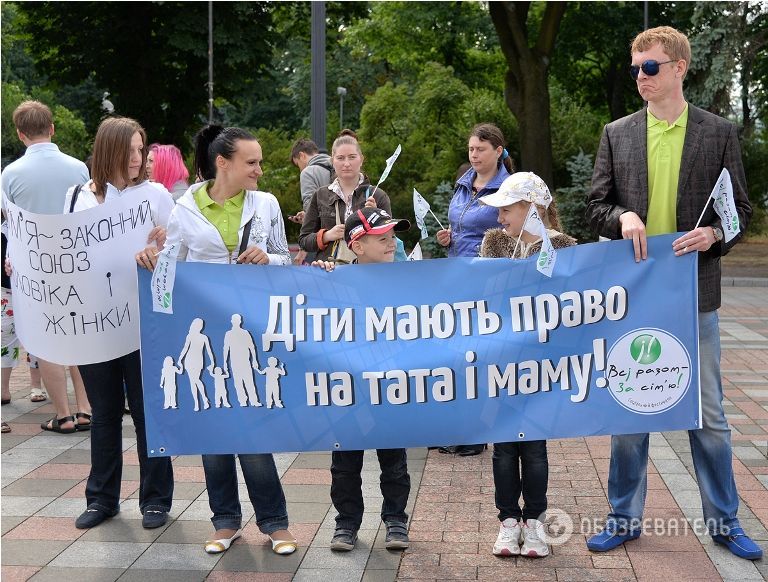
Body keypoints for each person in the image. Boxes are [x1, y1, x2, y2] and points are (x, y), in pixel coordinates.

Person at [585, 26, 760, 560]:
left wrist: (714, 234)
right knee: (628, 413)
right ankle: (622, 517)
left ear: (679, 68)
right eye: (636, 67)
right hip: (633, 296)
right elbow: (594, 207)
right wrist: (622, 216)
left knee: (709, 416)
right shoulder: (616, 133)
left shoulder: (717, 132)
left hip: (694, 295)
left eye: (651, 68)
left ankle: (726, 522)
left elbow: (740, 212)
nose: (640, 77)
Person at [144, 124, 296, 556]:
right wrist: (150, 260)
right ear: (222, 163)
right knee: (212, 428)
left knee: (251, 427)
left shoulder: (265, 204)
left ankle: (274, 522)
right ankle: (225, 520)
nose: (260, 170)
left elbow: (287, 260)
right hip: (205, 330)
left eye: (260, 161)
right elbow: (172, 268)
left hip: (253, 327)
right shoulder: (184, 208)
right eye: (252, 162)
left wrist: (270, 258)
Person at [66, 117, 175, 531]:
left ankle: (155, 500)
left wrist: (164, 245)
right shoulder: (79, 195)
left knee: (149, 413)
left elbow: (178, 250)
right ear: (109, 149)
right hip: (96, 320)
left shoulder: (157, 195)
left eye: (141, 149)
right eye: (129, 150)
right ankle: (101, 499)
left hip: (142, 321)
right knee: (105, 413)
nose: (137, 158)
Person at [477, 172, 576, 558]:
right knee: (504, 447)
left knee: (534, 448)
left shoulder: (565, 247)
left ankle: (534, 523)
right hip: (502, 359)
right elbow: (483, 293)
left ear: (532, 208)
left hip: (543, 365)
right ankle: (507, 523)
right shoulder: (496, 242)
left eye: (507, 208)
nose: (500, 217)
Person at [319, 206, 412, 552]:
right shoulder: (333, 278)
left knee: (394, 462)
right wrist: (319, 275)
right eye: (382, 238)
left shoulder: (409, 280)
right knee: (344, 464)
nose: (391, 243)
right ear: (357, 246)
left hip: (391, 389)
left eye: (392, 236)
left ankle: (396, 520)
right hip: (348, 391)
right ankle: (346, 524)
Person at [1, 100, 91, 429]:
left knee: (47, 338)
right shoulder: (79, 167)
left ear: (20, 134)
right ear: (52, 128)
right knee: (78, 335)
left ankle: (63, 415)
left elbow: (9, 223)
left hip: (33, 265)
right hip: (74, 261)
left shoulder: (10, 174)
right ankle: (85, 408)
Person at [435, 122, 515, 456]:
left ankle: (476, 433)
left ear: (498, 151)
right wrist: (448, 238)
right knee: (456, 354)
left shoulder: (507, 187)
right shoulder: (463, 184)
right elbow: (459, 225)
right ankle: (456, 427)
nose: (474, 155)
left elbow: (516, 229)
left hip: (487, 281)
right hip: (457, 277)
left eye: (481, 149)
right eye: (470, 149)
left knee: (479, 355)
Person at [298, 134, 391, 263]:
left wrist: (376, 219)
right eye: (340, 158)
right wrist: (326, 236)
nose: (346, 163)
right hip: (330, 272)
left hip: (368, 272)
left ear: (361, 159)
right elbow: (304, 240)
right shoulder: (320, 195)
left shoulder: (378, 195)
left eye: (352, 157)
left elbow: (389, 242)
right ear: (332, 161)